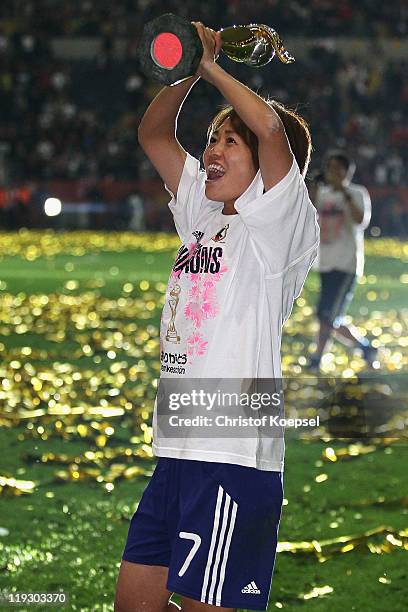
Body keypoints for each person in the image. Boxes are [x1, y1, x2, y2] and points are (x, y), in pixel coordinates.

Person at [115, 22, 319, 612]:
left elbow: (272, 129)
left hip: (231, 451)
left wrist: (212, 66)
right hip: (178, 446)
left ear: (269, 173)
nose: (213, 151)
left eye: (230, 142)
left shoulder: (278, 227)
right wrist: (181, 67)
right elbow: (154, 134)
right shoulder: (202, 213)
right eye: (211, 140)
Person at [308, 151, 377, 370]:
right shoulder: (323, 194)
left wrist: (344, 194)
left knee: (327, 314)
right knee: (329, 315)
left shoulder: (356, 192)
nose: (334, 173)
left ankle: (318, 357)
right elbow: (309, 213)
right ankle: (364, 348)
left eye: (338, 168)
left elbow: (360, 220)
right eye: (330, 168)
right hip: (326, 262)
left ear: (348, 171)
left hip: (347, 264)